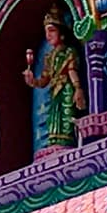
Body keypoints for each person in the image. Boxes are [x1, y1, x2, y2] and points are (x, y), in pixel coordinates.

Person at [24, 8, 86, 151]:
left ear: (61, 33)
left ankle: (67, 141)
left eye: (52, 31)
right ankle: (56, 142)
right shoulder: (49, 57)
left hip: (66, 89)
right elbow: (44, 80)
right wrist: (32, 81)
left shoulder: (68, 52)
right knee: (54, 117)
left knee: (66, 115)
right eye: (46, 32)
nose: (48, 35)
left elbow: (71, 71)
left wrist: (78, 88)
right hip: (55, 92)